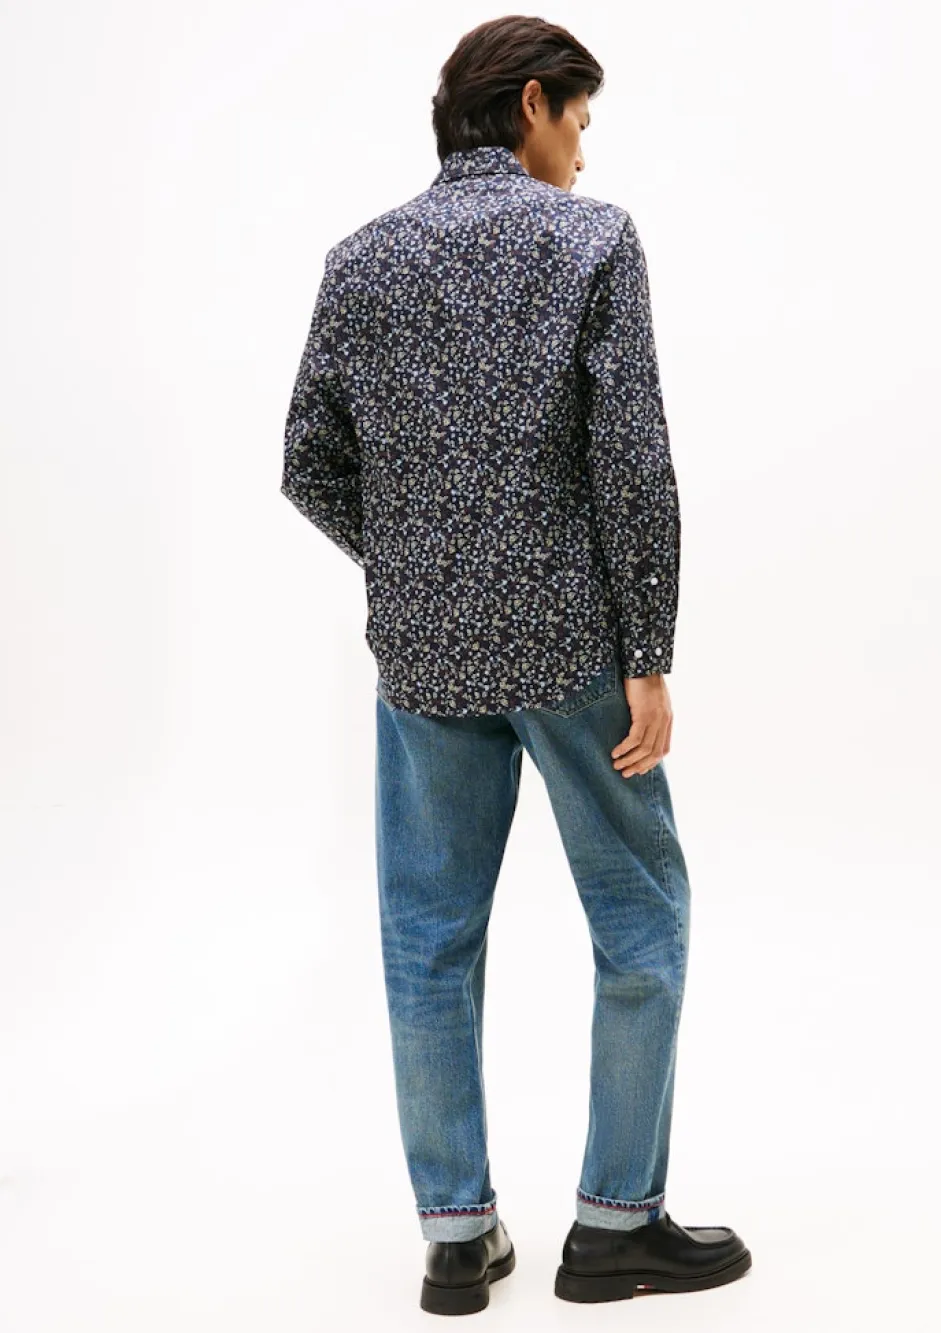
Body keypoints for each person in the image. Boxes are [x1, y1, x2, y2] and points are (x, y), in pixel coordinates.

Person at [281, 14, 751, 1316]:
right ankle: (615, 1227)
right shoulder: (593, 242)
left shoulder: (361, 258)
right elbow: (632, 462)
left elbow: (308, 462)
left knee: (428, 940)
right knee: (642, 921)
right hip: (571, 646)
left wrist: (419, 558)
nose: (584, 155)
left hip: (424, 654)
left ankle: (455, 1237)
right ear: (533, 104)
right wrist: (649, 653)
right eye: (580, 123)